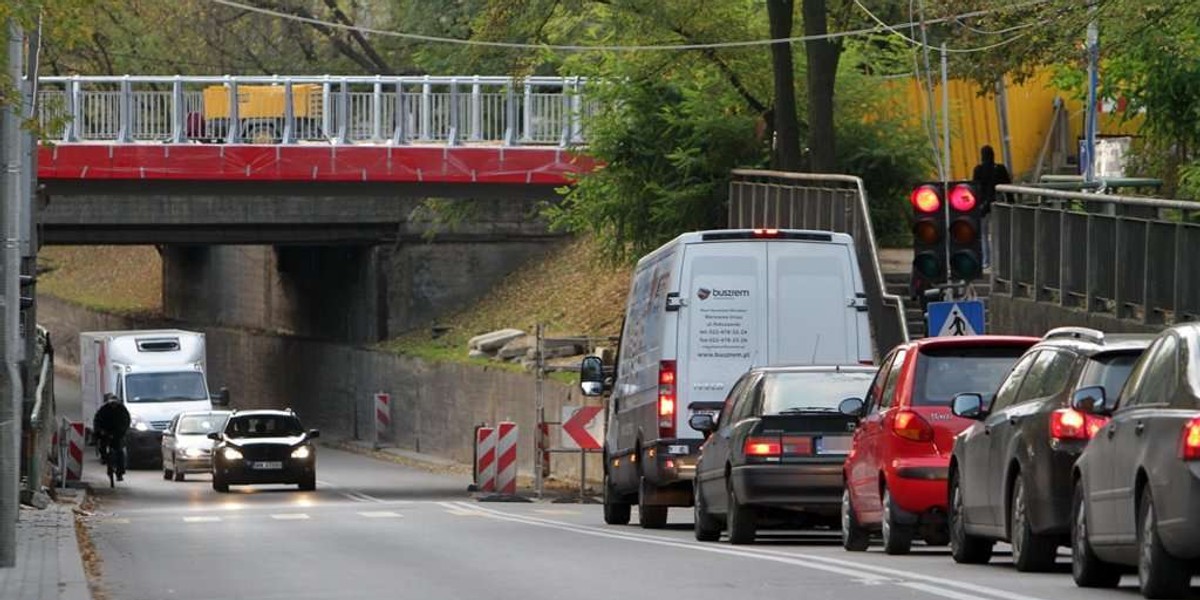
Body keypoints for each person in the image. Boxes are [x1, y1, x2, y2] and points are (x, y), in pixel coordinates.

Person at [971, 145, 1012, 269]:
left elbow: (975, 188)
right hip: (998, 205)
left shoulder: (978, 170)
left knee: (983, 234)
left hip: (983, 206)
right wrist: (1011, 202)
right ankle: (998, 261)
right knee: (997, 233)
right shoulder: (1000, 169)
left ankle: (986, 260)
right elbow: (1008, 188)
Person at [93, 393, 131, 482]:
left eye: (115, 404)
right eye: (111, 404)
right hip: (105, 432)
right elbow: (97, 420)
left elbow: (126, 421)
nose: (113, 405)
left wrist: (122, 432)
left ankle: (120, 473)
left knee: (119, 451)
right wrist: (99, 431)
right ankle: (104, 458)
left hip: (117, 433)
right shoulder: (103, 409)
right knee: (102, 446)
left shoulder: (122, 410)